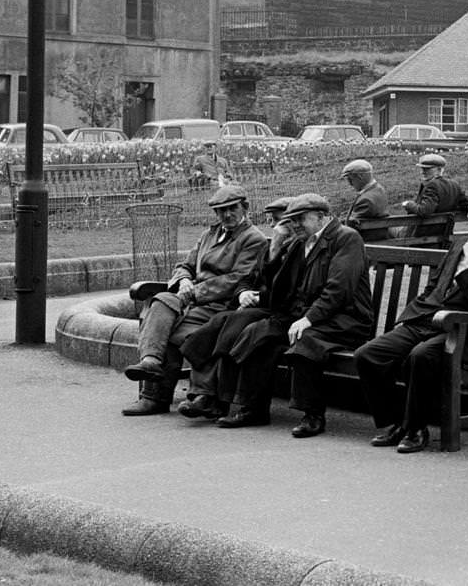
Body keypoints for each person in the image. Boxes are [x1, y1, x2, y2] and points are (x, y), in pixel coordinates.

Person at [180, 194, 374, 438]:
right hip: (306, 314)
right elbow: (275, 285)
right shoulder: (300, 242)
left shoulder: (346, 238)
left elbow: (339, 290)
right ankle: (253, 409)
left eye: (300, 219)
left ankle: (312, 414)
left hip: (345, 319)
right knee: (255, 332)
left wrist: (307, 319)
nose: (294, 225)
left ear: (321, 217)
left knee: (306, 342)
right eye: (291, 221)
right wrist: (275, 247)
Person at [355, 198, 468, 453]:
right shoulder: (459, 246)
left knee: (421, 356)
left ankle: (415, 428)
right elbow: (435, 286)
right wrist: (422, 310)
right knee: (368, 355)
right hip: (428, 322)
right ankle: (396, 422)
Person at [121, 185, 268, 416]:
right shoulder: (209, 235)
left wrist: (196, 291)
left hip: (221, 305)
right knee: (160, 300)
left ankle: (159, 396)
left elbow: (238, 279)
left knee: (170, 331)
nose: (227, 215)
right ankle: (150, 362)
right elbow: (184, 265)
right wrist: (184, 280)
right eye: (221, 211)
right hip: (193, 301)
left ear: (245, 207)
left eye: (232, 208)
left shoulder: (253, 239)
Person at [175, 194, 298, 423]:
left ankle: (217, 400)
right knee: (225, 324)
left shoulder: (296, 248)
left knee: (234, 327)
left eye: (279, 222)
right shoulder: (273, 246)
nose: (273, 227)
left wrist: (257, 296)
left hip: (287, 313)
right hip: (265, 307)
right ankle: (210, 399)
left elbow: (289, 292)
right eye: (271, 221)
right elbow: (249, 278)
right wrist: (244, 293)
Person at [401, 153, 468, 239]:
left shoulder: (432, 185)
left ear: (439, 170)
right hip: (444, 236)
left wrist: (407, 204)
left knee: (390, 230)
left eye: (427, 169)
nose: (423, 172)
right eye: (422, 168)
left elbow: (424, 211)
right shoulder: (454, 185)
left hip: (422, 238)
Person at [340, 158, 389, 240]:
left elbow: (350, 227)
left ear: (360, 176)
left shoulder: (366, 200)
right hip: (377, 235)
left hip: (367, 241)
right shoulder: (379, 189)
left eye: (350, 179)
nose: (350, 184)